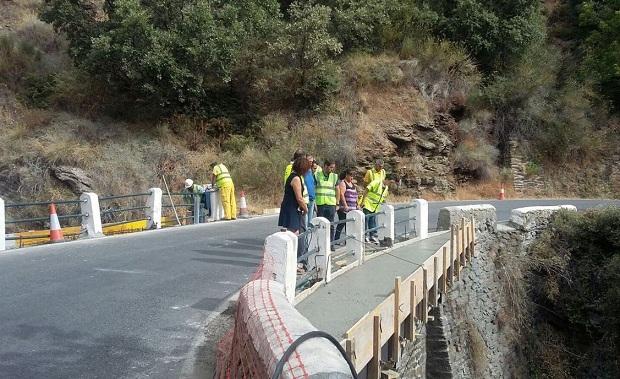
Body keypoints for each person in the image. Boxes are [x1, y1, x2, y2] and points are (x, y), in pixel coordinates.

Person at [278, 156, 311, 234]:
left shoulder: (294, 176)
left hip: (291, 207)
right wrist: (306, 209)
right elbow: (299, 198)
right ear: (303, 169)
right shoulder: (296, 178)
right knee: (293, 233)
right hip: (291, 208)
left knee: (294, 232)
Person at [359, 174, 393, 244]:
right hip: (368, 203)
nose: (390, 184)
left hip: (375, 206)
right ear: (387, 179)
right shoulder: (376, 182)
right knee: (366, 220)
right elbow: (366, 190)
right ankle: (364, 236)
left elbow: (382, 197)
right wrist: (363, 201)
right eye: (390, 182)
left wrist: (385, 203)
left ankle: (372, 236)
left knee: (372, 221)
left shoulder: (386, 188)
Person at [315, 160, 339, 246]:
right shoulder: (317, 175)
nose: (332, 169)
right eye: (331, 167)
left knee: (331, 225)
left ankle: (331, 244)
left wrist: (337, 203)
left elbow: (337, 190)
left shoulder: (335, 177)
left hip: (331, 204)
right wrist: (314, 203)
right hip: (320, 204)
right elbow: (314, 189)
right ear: (325, 166)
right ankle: (320, 244)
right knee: (320, 225)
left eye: (333, 167)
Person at [334, 168, 358, 243]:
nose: (352, 177)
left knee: (349, 224)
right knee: (342, 223)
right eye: (351, 176)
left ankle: (348, 240)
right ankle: (336, 239)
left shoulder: (353, 184)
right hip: (344, 208)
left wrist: (357, 204)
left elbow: (356, 195)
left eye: (353, 176)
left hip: (352, 208)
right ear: (347, 175)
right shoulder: (343, 183)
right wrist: (345, 205)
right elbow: (341, 194)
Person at [304, 155, 318, 225]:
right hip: (305, 200)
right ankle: (305, 236)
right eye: (309, 161)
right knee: (305, 222)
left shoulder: (311, 173)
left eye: (311, 162)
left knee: (310, 222)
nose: (310, 163)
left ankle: (308, 236)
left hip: (312, 200)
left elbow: (313, 187)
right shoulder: (303, 171)